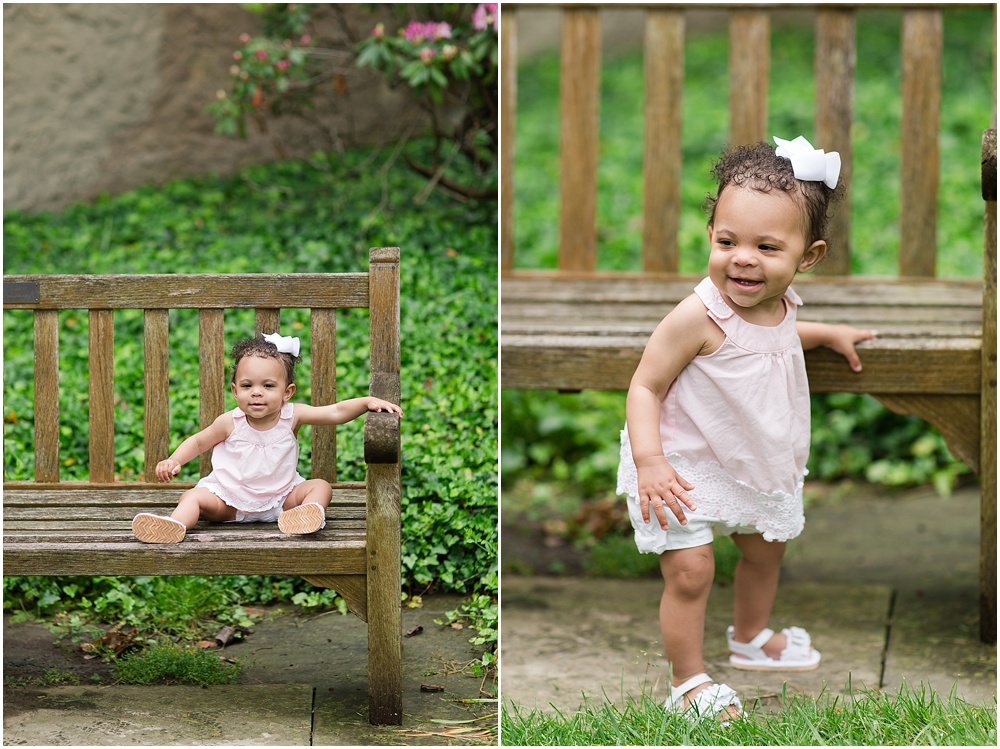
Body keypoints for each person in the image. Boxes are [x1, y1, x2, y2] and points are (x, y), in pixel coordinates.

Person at [617, 136, 875, 722]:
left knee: (766, 549)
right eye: (727, 241)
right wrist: (651, 461)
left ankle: (750, 635)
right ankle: (688, 682)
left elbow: (774, 337)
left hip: (751, 460)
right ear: (710, 236)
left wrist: (826, 331)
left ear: (807, 257)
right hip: (679, 465)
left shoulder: (781, 307)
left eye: (766, 246)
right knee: (691, 570)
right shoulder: (698, 315)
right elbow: (644, 386)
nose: (742, 258)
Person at [132, 332, 402, 544]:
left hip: (281, 502)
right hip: (228, 501)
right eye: (248, 386)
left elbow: (334, 411)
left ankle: (309, 516)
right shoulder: (229, 422)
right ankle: (174, 526)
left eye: (268, 386)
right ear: (235, 390)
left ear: (287, 391)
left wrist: (367, 401)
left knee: (321, 486)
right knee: (192, 497)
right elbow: (199, 442)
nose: (257, 393)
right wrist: (174, 459)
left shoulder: (292, 416)